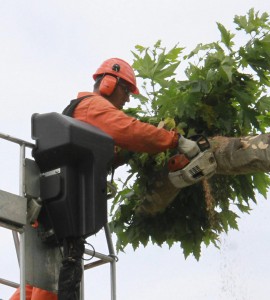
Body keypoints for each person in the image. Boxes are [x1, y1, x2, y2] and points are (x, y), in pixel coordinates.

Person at [10, 57, 199, 300]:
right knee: (51, 285)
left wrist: (126, 154)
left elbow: (104, 151)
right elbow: (130, 129)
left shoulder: (82, 115)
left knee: (36, 282)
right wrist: (175, 140)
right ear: (109, 83)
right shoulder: (93, 107)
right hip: (65, 209)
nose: (128, 98)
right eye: (127, 90)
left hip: (52, 207)